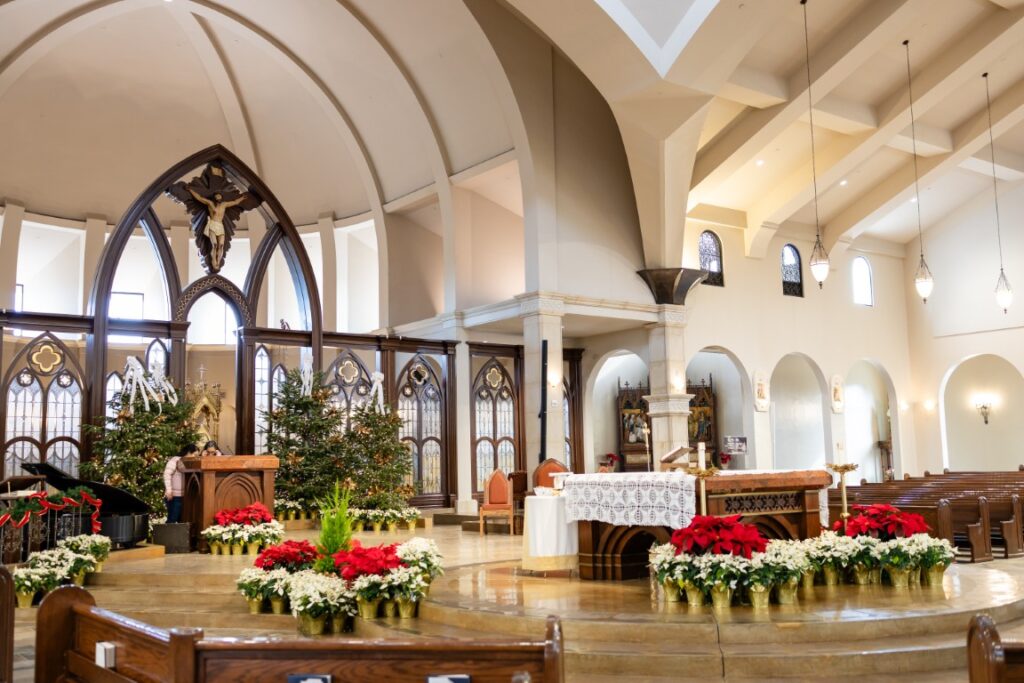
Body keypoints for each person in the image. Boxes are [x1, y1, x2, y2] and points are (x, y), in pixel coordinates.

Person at [164, 443, 198, 523]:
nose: (196, 457)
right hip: (174, 496)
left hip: (184, 496)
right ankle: (168, 535)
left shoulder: (188, 462)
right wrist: (169, 490)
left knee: (181, 520)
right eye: (195, 455)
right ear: (189, 452)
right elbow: (167, 474)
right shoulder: (175, 460)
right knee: (172, 519)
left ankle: (176, 535)